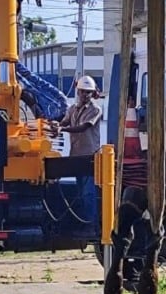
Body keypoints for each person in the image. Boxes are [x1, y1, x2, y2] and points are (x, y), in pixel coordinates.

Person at [52, 76, 103, 232]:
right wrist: (55, 125)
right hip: (76, 155)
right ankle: (84, 223)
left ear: (93, 93)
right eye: (82, 92)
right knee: (80, 192)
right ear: (78, 91)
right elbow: (65, 122)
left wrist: (62, 129)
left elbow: (84, 127)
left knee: (88, 193)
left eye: (88, 92)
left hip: (89, 157)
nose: (84, 95)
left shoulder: (96, 110)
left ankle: (91, 224)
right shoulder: (73, 109)